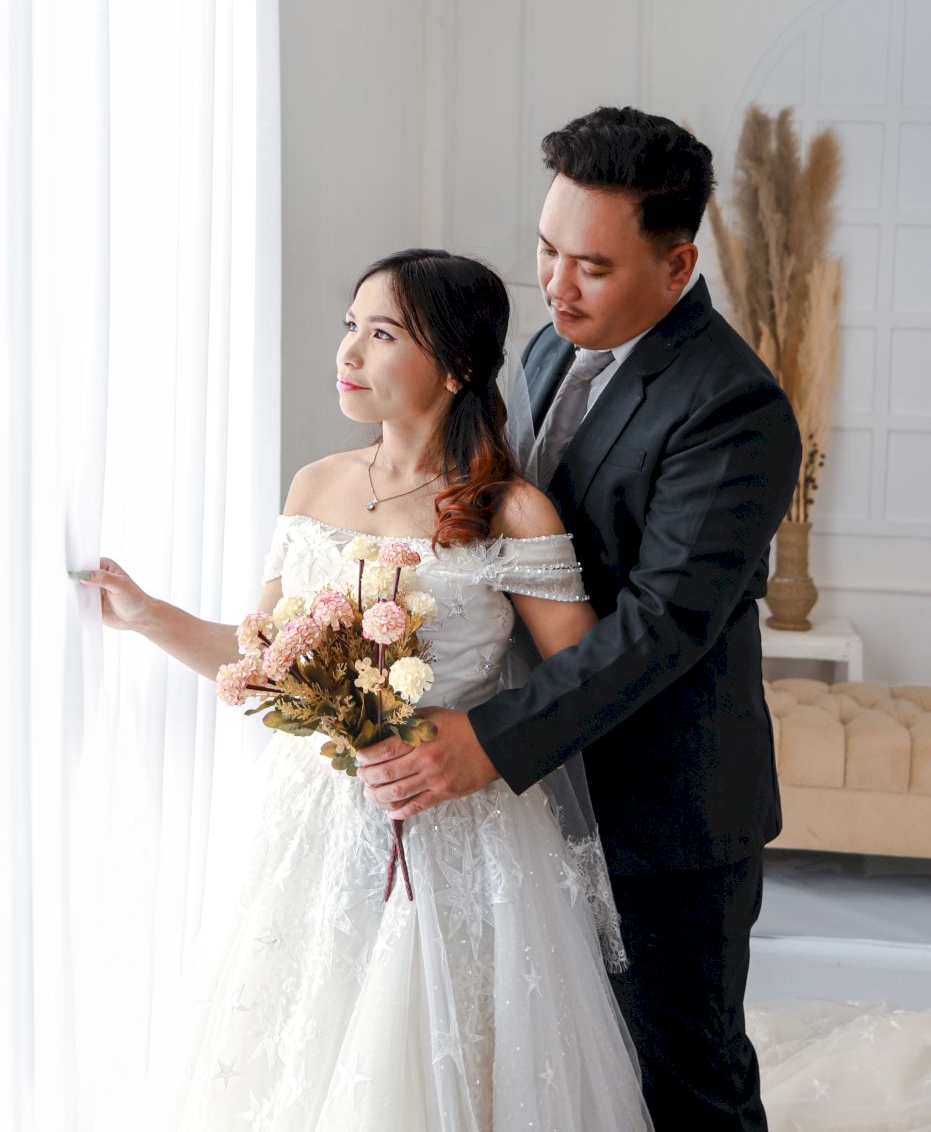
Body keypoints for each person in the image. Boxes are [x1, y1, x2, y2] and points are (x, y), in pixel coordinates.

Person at [81, 248, 652, 1131]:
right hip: (313, 822)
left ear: (455, 366)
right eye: (351, 326)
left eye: (381, 334)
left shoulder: (511, 510)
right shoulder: (317, 485)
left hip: (459, 824)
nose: (348, 351)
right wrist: (149, 615)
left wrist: (472, 736)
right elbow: (266, 662)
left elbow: (584, 682)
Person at [356, 108, 803, 1132]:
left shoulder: (734, 410)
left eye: (591, 267)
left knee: (682, 1077)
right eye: (546, 250)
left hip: (665, 809)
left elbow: (662, 626)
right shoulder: (549, 350)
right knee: (562, 1071)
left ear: (677, 264)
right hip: (538, 805)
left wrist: (487, 739)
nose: (554, 286)